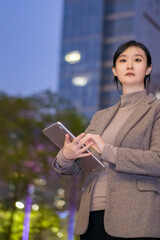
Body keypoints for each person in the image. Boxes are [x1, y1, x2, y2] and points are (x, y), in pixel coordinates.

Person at [52, 40, 160, 239]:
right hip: (91, 219)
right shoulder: (100, 117)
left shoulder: (156, 110)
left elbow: (157, 161)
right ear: (114, 70)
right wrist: (66, 156)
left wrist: (107, 150)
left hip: (137, 219)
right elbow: (82, 165)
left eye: (137, 60)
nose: (129, 65)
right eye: (122, 60)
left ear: (148, 69)